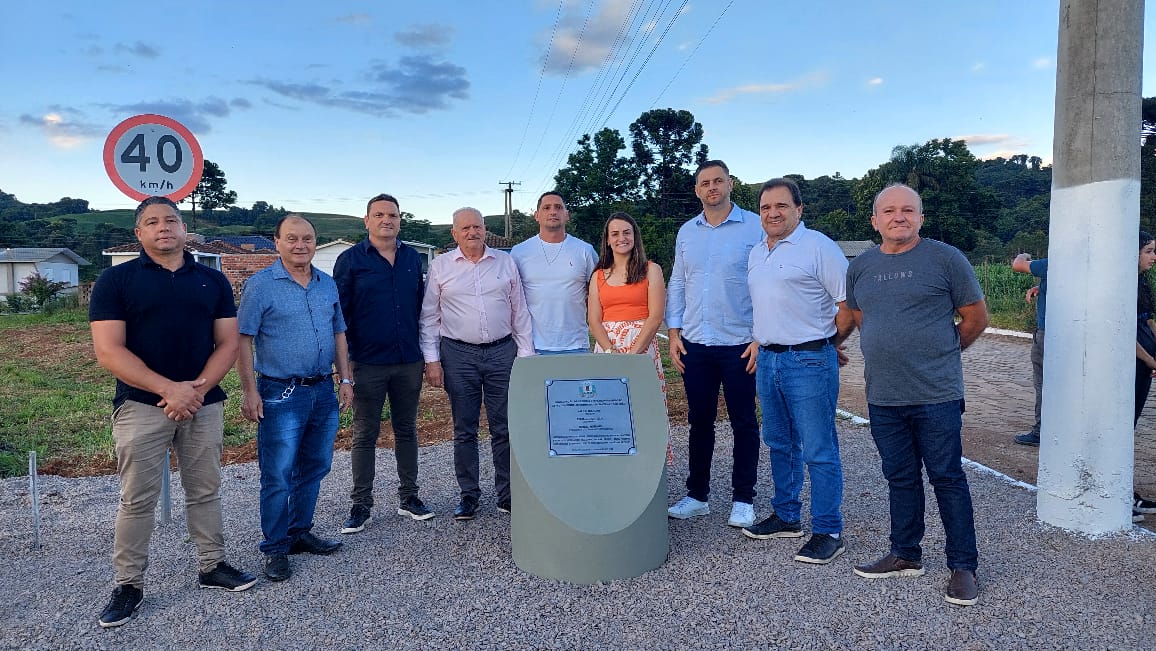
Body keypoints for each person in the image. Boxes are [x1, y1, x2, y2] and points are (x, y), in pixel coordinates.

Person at [89, 196, 256, 628]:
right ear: (139, 233)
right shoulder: (115, 281)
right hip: (142, 404)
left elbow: (228, 343)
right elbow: (109, 350)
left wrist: (196, 390)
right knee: (137, 499)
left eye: (172, 220)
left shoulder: (212, 281)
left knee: (205, 490)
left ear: (185, 230)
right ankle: (128, 585)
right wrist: (168, 389)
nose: (164, 227)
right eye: (152, 222)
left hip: (202, 402)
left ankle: (212, 565)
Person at [846, 183, 987, 607]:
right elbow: (858, 317)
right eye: (889, 211)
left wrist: (942, 352)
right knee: (900, 478)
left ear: (921, 218)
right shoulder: (862, 267)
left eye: (908, 210)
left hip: (936, 394)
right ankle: (905, 553)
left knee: (947, 478)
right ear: (875, 220)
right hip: (884, 395)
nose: (899, 217)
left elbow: (976, 318)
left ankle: (963, 566)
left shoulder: (946, 259)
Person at [739, 178, 853, 565]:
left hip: (808, 361)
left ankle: (828, 530)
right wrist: (759, 339)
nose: (773, 213)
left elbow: (847, 305)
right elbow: (768, 304)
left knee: (819, 448)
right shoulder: (757, 252)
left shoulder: (819, 247)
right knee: (780, 442)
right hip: (768, 360)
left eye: (781, 206)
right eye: (766, 207)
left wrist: (826, 343)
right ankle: (787, 516)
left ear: (799, 209)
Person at [237, 214, 354, 582]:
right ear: (277, 242)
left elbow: (339, 335)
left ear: (315, 243)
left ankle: (300, 531)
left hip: (322, 388)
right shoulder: (261, 286)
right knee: (278, 474)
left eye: (307, 238)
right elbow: (243, 340)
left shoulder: (326, 284)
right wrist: (249, 390)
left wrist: (346, 379)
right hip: (280, 392)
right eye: (292, 238)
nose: (300, 245)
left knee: (316, 466)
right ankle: (274, 547)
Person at [665, 159, 765, 528]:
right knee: (699, 421)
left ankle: (743, 498)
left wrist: (760, 336)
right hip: (696, 343)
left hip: (740, 343)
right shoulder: (687, 232)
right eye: (705, 183)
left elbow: (765, 283)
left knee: (744, 422)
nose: (712, 188)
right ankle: (697, 495)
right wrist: (674, 333)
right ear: (697, 190)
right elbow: (678, 282)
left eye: (718, 181)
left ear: (730, 184)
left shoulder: (754, 227)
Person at [420, 207, 534, 520]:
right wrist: (432, 361)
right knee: (464, 428)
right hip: (458, 355)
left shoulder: (505, 262)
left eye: (478, 227)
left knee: (505, 427)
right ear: (454, 234)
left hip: (502, 353)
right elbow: (430, 317)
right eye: (465, 228)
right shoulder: (441, 267)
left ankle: (508, 495)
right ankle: (468, 496)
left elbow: (519, 312)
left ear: (485, 230)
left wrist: (526, 357)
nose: (473, 232)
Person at [333, 193, 432, 533]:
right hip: (368, 362)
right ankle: (361, 505)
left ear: (400, 220)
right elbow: (340, 318)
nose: (386, 220)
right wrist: (343, 369)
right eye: (379, 215)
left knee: (407, 430)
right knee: (365, 434)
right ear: (367, 221)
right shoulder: (350, 260)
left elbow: (421, 308)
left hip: (407, 360)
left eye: (392, 215)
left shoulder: (411, 258)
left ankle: (409, 498)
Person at [587, 212, 672, 465]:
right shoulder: (598, 275)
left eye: (626, 232)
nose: (621, 238)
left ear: (635, 236)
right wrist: (612, 355)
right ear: (607, 240)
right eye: (615, 233)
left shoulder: (651, 270)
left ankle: (648, 468)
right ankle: (613, 470)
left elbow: (656, 316)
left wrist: (633, 357)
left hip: (641, 349)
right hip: (608, 351)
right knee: (609, 413)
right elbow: (594, 320)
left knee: (644, 411)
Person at [510, 191, 598, 355]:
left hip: (576, 345)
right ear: (536, 215)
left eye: (558, 207)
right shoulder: (519, 252)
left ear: (567, 215)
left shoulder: (585, 251)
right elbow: (513, 297)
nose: (552, 212)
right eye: (546, 208)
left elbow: (596, 293)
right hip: (532, 346)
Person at [1131, 231, 1156, 521]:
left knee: (1130, 426)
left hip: (1143, 366)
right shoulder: (1123, 284)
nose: (1153, 256)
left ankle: (1126, 490)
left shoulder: (1141, 283)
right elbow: (1125, 330)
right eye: (1148, 250)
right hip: (1131, 366)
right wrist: (1149, 358)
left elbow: (1148, 321)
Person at [1011, 252, 1048, 447]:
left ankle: (1041, 431)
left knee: (1043, 384)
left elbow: (1018, 265)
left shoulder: (1053, 263)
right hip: (1071, 334)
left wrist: (1024, 254)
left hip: (1047, 333)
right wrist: (1041, 287)